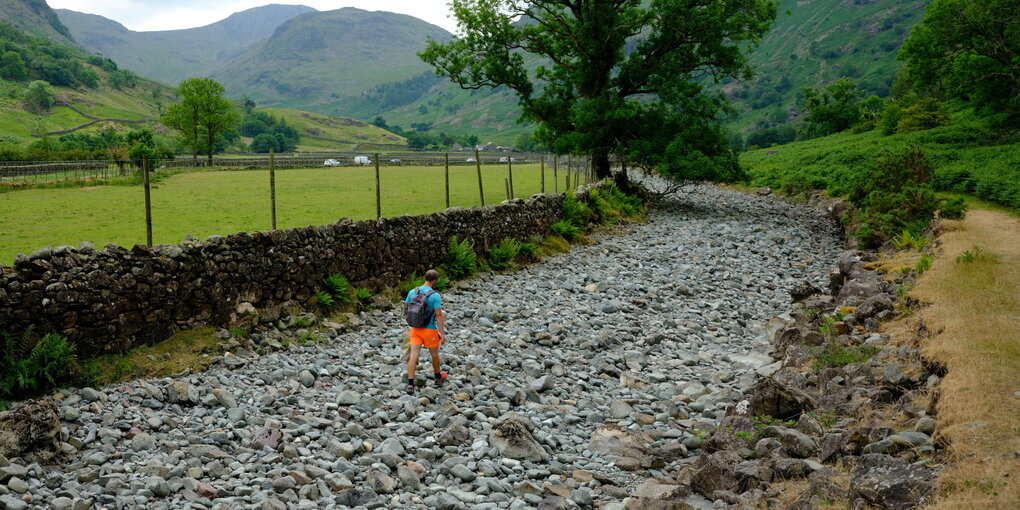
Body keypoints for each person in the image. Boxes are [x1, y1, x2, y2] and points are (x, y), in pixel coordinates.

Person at [404, 269, 448, 394]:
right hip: (429, 330)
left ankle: (411, 385)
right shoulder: (435, 296)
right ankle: (438, 377)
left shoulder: (413, 291)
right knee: (434, 354)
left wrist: (411, 325)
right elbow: (438, 315)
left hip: (415, 329)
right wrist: (442, 334)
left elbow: (406, 310)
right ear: (434, 281)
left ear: (425, 277)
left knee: (413, 356)